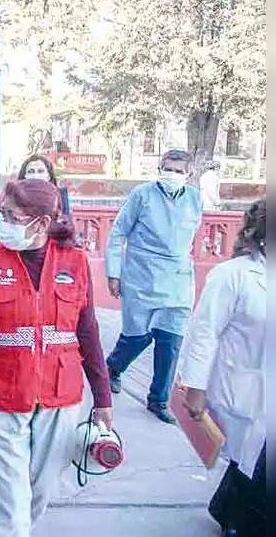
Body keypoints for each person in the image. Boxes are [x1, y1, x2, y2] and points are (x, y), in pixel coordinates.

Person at [0, 179, 113, 537]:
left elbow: (89, 332)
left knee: (39, 492)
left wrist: (103, 397)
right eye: (3, 214)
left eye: (12, 216)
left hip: (60, 396)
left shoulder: (76, 263)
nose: (2, 222)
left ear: (41, 222)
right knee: (9, 506)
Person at [178, 200, 265, 537]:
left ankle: (226, 509)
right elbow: (204, 332)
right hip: (239, 386)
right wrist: (194, 388)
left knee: (253, 461)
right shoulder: (233, 275)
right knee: (250, 460)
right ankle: (241, 523)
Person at [104, 149, 203, 424]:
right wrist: (114, 273)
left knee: (171, 338)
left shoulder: (195, 199)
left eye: (178, 171)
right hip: (142, 273)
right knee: (138, 335)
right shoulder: (142, 195)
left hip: (179, 275)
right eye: (167, 169)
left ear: (189, 174)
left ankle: (158, 400)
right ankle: (112, 368)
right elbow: (118, 232)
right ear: (160, 169)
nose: (172, 175)